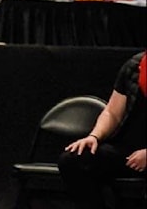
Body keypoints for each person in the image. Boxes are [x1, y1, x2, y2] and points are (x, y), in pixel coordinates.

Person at [58, 51, 146, 209]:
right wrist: (94, 136)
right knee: (73, 160)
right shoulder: (135, 65)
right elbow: (112, 113)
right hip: (127, 151)